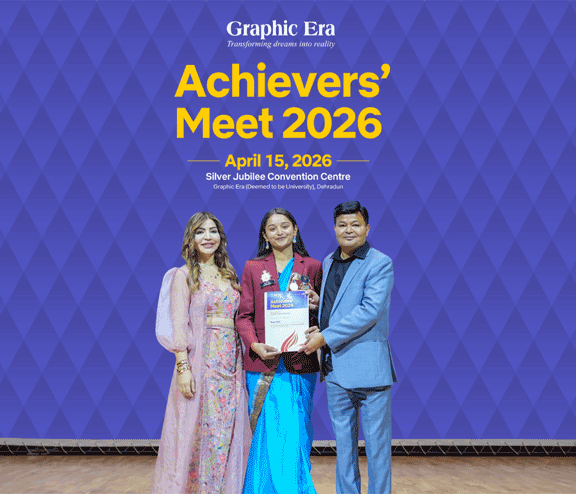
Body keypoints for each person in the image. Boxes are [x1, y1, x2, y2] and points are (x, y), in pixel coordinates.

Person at [301, 200, 397, 494]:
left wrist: (324, 337)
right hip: (336, 370)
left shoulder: (380, 262)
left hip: (369, 371)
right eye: (342, 225)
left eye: (355, 224)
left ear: (367, 228)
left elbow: (369, 311)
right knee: (343, 449)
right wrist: (318, 306)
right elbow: (339, 305)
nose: (349, 230)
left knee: (377, 449)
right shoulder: (329, 261)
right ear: (335, 229)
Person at [151, 212, 251, 494]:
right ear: (191, 239)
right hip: (200, 365)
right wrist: (183, 368)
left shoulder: (230, 275)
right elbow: (178, 323)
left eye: (213, 231)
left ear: (221, 237)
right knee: (197, 430)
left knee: (225, 431)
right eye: (200, 232)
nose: (208, 237)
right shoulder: (182, 276)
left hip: (230, 367)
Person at [236, 208, 322, 494]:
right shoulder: (252, 267)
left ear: (295, 230)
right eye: (272, 228)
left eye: (285, 226)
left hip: (300, 363)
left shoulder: (313, 266)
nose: (279, 232)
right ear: (265, 235)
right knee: (266, 432)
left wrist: (317, 306)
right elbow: (243, 316)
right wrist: (254, 345)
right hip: (264, 364)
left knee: (296, 432)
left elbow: (325, 314)